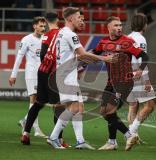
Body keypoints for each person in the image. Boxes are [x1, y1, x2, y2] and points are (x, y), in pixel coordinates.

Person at [47, 7, 116, 149]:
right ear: (70, 19)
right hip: (66, 76)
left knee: (79, 108)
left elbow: (76, 56)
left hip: (64, 74)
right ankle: (53, 137)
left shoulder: (61, 33)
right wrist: (104, 58)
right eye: (79, 17)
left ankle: (80, 141)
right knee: (74, 107)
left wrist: (89, 60)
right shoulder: (71, 35)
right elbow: (83, 54)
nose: (81, 20)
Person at [93, 16, 149, 151]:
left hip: (124, 82)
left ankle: (119, 139)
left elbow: (145, 56)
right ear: (108, 28)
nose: (119, 28)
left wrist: (141, 70)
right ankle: (120, 138)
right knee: (104, 112)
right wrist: (82, 63)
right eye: (116, 25)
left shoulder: (127, 42)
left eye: (120, 25)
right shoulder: (103, 42)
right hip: (110, 81)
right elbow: (95, 53)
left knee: (110, 110)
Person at [20, 12, 70, 148]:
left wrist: (45, 65)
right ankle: (58, 139)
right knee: (59, 106)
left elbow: (43, 53)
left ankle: (25, 133)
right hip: (53, 74)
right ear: (58, 20)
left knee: (38, 103)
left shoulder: (46, 35)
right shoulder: (61, 33)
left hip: (42, 71)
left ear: (46, 22)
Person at [9, 16, 46, 138]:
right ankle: (36, 129)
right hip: (31, 73)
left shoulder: (45, 39)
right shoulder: (26, 39)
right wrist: (13, 75)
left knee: (42, 101)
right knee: (34, 99)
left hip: (42, 73)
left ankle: (25, 121)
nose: (43, 28)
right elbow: (19, 58)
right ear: (34, 26)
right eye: (40, 26)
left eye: (44, 26)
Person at [127, 13, 155, 143]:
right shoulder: (141, 39)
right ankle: (131, 131)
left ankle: (133, 136)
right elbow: (141, 60)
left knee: (133, 106)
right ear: (144, 24)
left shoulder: (128, 37)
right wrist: (147, 80)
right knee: (150, 105)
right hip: (138, 75)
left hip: (127, 75)